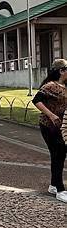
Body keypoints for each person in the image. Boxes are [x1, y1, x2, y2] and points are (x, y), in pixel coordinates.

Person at [32, 59, 67, 203]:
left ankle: (54, 185)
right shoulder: (50, 86)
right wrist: (51, 115)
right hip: (49, 126)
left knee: (59, 154)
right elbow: (36, 100)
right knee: (59, 153)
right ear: (61, 71)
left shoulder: (65, 86)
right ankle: (60, 190)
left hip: (62, 126)